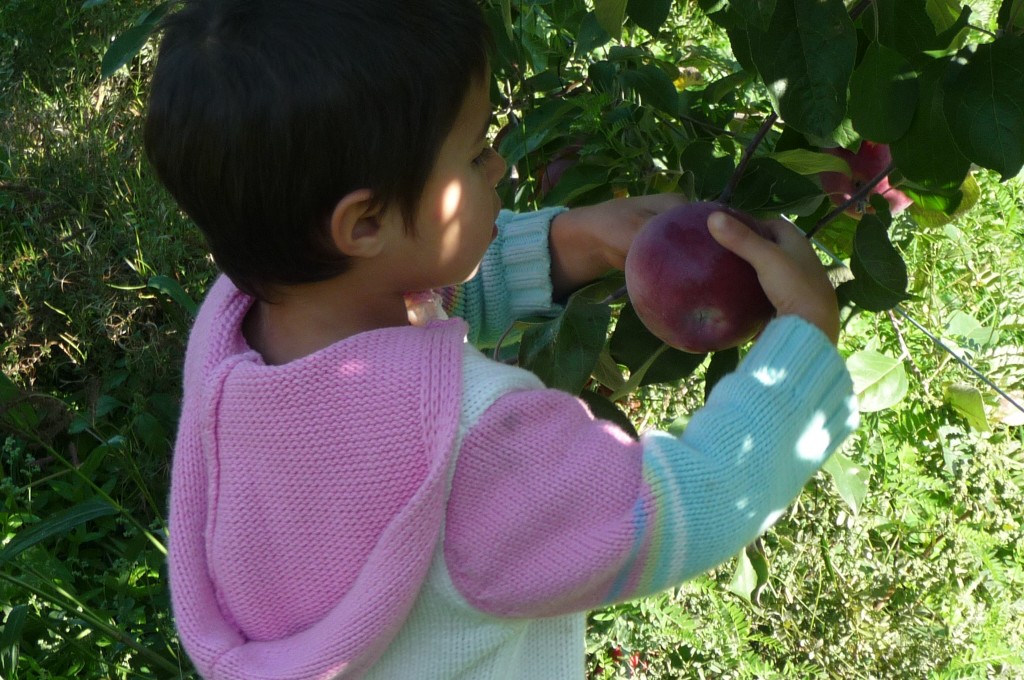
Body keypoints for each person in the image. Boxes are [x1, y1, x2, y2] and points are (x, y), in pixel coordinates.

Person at [144, 0, 859, 678]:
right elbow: (693, 505)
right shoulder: (476, 449)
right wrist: (802, 346)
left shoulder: (237, 321)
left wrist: (566, 241)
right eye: (475, 152)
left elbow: (404, 297)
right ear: (364, 225)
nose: (501, 167)